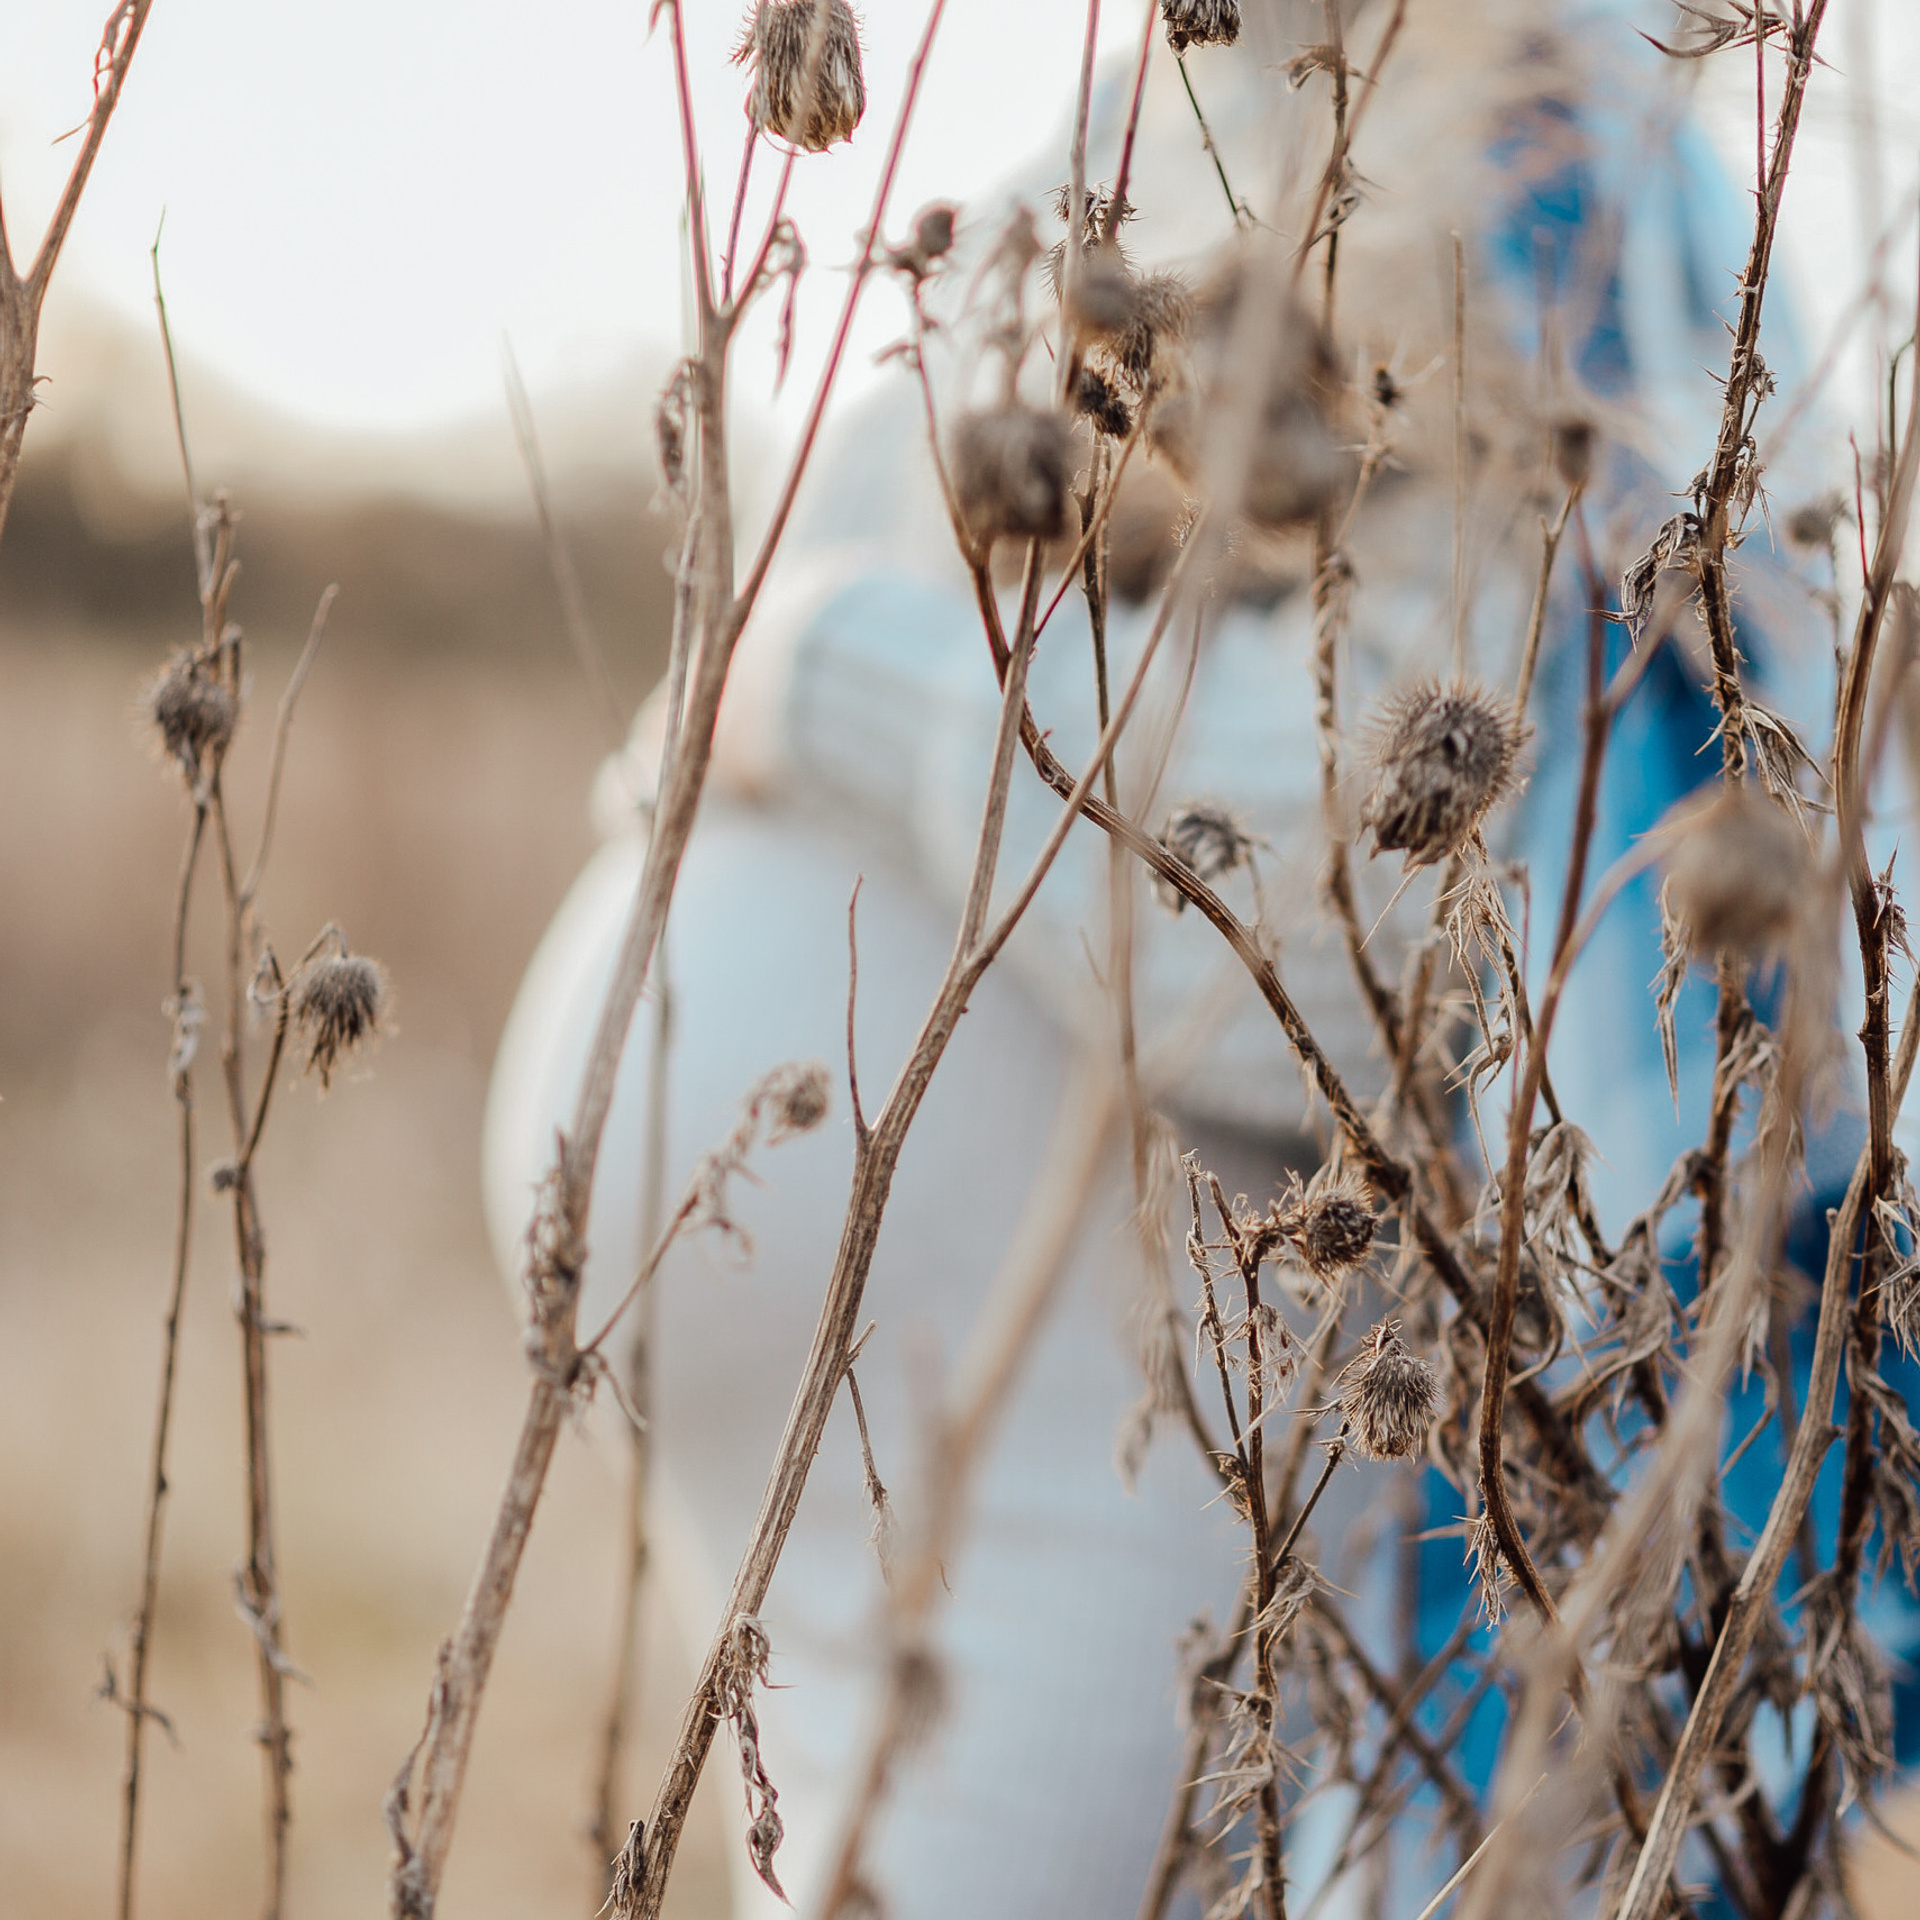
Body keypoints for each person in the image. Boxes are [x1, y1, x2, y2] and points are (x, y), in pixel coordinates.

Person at [483, 3, 1891, 1913]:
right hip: (862, 1510)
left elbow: (1410, 887)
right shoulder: (1134, 120)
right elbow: (712, 672)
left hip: (1137, 1496)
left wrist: (841, 681)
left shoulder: (1565, 194)